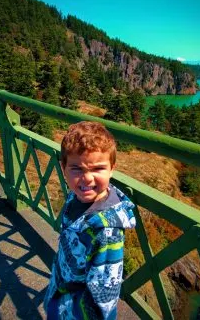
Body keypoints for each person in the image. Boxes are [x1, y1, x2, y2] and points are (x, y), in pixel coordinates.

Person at [44, 121, 136, 320]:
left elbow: (105, 293)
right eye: (76, 169)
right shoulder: (74, 197)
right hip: (62, 290)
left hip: (77, 310)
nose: (87, 178)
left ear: (112, 169)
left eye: (97, 169)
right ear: (63, 168)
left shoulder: (106, 231)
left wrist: (72, 309)